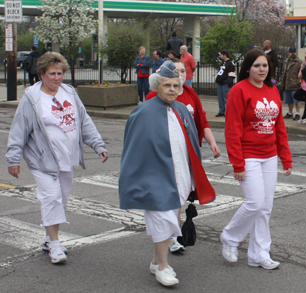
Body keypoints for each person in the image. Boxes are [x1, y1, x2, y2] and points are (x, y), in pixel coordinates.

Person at [6, 52, 108, 264]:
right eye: (52, 73)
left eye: (60, 73)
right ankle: (55, 244)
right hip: (42, 160)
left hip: (66, 158)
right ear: (42, 74)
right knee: (51, 198)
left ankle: (48, 238)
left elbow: (84, 121)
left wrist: (98, 145)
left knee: (60, 200)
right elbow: (19, 130)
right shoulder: (32, 100)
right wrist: (13, 159)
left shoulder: (69, 93)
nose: (57, 78)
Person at [119, 60, 215, 286]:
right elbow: (132, 149)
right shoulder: (142, 112)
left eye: (175, 85)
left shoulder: (182, 109)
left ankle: (155, 261)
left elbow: (191, 144)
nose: (172, 89)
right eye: (166, 85)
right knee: (162, 219)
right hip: (154, 178)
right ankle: (163, 267)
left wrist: (193, 178)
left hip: (179, 177)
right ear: (156, 86)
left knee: (169, 217)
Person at [221, 49, 293, 270]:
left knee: (266, 207)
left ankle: (259, 254)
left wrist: (286, 158)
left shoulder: (272, 90)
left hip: (269, 155)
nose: (262, 69)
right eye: (257, 66)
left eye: (265, 65)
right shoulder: (238, 91)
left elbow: (279, 126)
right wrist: (237, 163)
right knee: (255, 203)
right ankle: (230, 238)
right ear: (248, 68)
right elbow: (232, 130)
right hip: (248, 155)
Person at [146, 58, 221, 252]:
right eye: (175, 71)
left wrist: (212, 143)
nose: (179, 74)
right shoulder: (154, 98)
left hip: (187, 155)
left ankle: (172, 234)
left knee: (179, 196)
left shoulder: (190, 94)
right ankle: (168, 239)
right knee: (168, 197)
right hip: (164, 157)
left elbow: (202, 121)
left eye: (182, 71)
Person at [281, 47, 302, 120]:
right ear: (289, 53)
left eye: (294, 52)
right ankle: (290, 113)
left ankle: (297, 113)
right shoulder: (286, 61)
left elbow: (301, 73)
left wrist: (298, 82)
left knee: (297, 100)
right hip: (287, 83)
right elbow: (283, 72)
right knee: (289, 100)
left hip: (295, 84)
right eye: (291, 52)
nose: (293, 53)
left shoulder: (299, 62)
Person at [215, 50, 236, 117]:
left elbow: (232, 73)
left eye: (221, 54)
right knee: (220, 97)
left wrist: (227, 81)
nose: (220, 56)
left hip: (225, 83)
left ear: (225, 55)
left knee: (226, 98)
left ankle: (228, 111)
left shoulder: (230, 63)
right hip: (220, 82)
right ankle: (221, 111)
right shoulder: (222, 63)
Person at [293, 56, 306, 123]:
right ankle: (304, 118)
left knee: (296, 96)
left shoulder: (305, 68)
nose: (303, 61)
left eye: (304, 60)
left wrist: (301, 68)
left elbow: (299, 76)